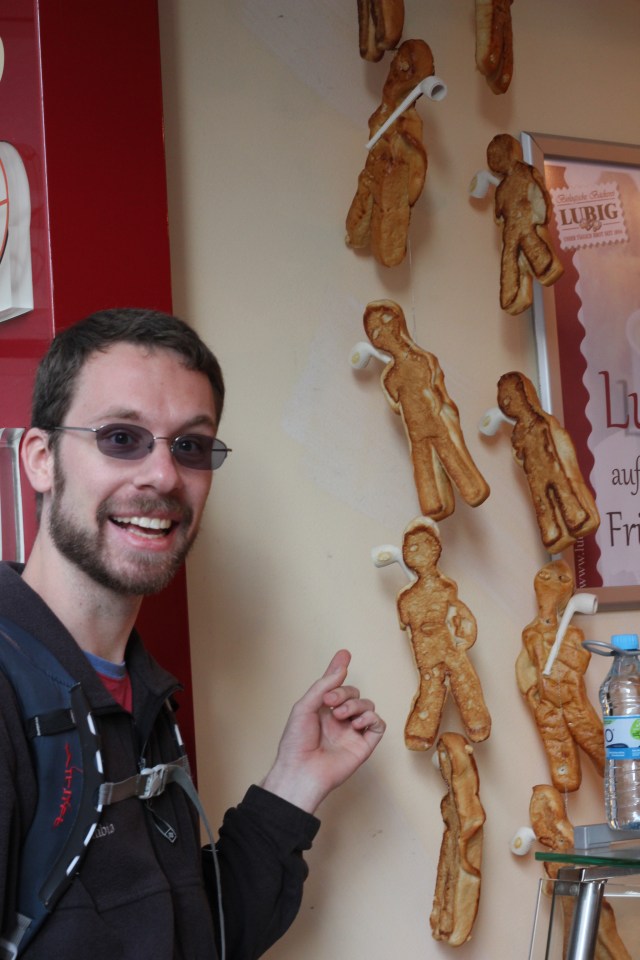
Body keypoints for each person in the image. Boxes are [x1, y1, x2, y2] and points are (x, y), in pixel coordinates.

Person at [0, 308, 386, 960]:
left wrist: (294, 784)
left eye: (190, 446)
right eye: (121, 437)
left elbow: (192, 937)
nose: (164, 475)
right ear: (41, 459)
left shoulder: (139, 691)